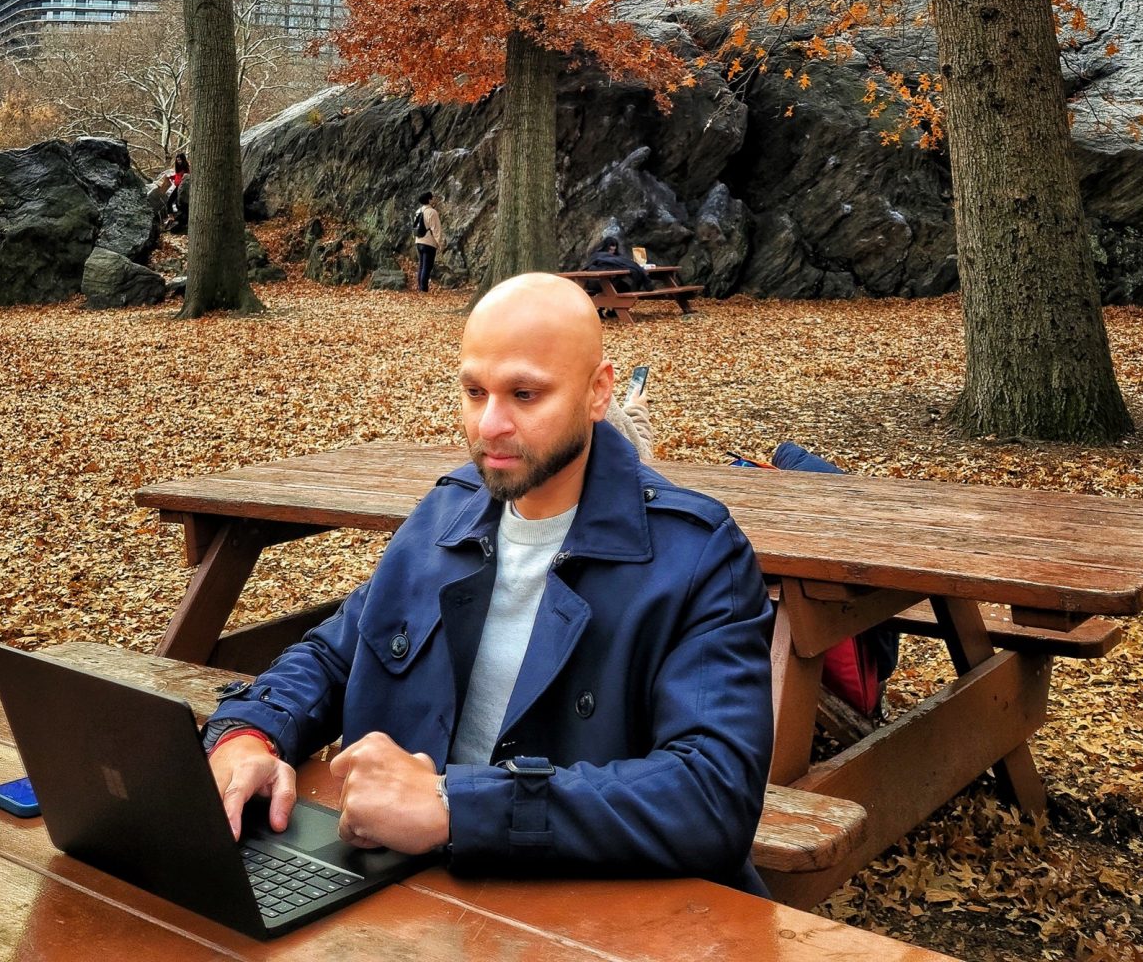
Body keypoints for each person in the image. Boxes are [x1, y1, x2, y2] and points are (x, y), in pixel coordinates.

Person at [203, 273, 773, 887]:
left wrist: (455, 806)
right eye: (475, 392)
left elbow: (713, 795)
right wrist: (250, 733)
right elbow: (334, 653)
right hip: (398, 893)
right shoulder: (444, 515)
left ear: (598, 391)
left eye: (525, 394)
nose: (490, 424)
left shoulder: (697, 556)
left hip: (592, 910)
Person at [412, 192, 443, 291]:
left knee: (421, 266)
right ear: (429, 200)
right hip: (429, 242)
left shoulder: (418, 211)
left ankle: (420, 288)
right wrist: (439, 243)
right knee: (427, 266)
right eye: (432, 198)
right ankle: (424, 289)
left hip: (419, 241)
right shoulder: (432, 212)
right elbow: (436, 229)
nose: (434, 199)